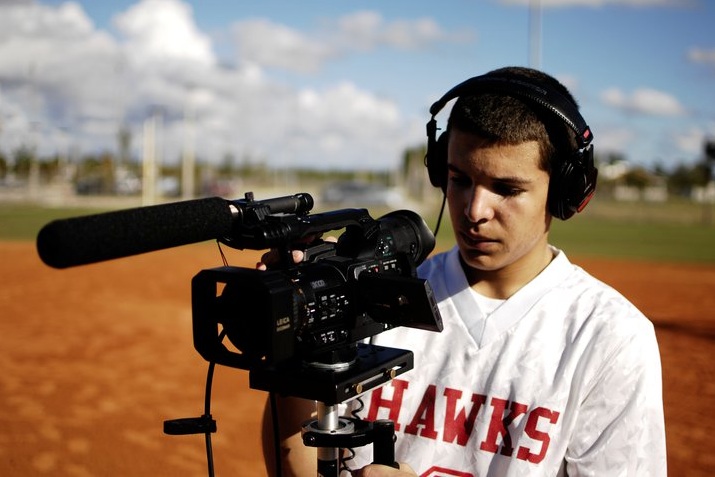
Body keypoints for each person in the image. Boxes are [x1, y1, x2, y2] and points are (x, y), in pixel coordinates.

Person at [260, 66, 667, 476]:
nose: (475, 211)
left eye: (506, 189)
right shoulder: (375, 293)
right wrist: (292, 333)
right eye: (460, 179)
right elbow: (295, 451)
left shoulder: (610, 336)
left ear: (564, 192)